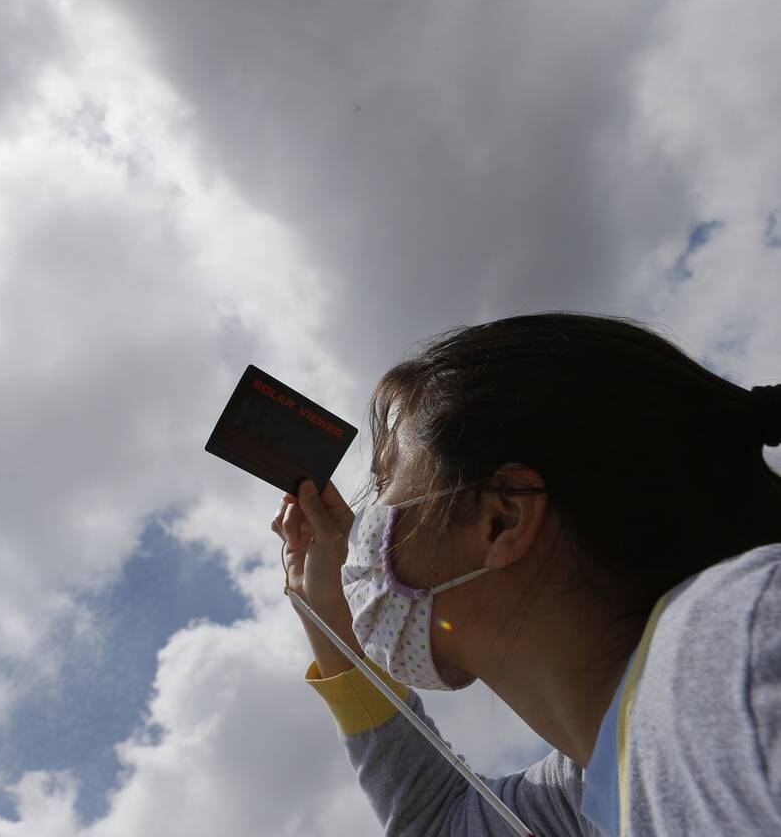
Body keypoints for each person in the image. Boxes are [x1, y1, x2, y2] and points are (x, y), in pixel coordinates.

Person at [271, 312, 781, 836]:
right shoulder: (593, 785)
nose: (364, 529)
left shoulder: (735, 656)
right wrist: (328, 621)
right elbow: (437, 822)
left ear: (502, 519)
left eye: (384, 481)